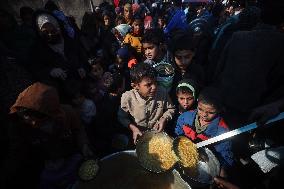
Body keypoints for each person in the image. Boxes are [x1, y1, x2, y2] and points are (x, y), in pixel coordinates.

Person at [0, 82, 94, 189]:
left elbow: (78, 130)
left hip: (72, 158)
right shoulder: (21, 127)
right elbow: (19, 153)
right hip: (47, 170)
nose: (33, 124)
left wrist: (84, 145)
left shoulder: (68, 112)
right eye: (26, 118)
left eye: (41, 122)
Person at [175, 87, 234, 177]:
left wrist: (222, 168)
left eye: (210, 112)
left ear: (219, 110)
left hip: (201, 163)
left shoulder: (222, 132)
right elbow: (178, 131)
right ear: (197, 103)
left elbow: (225, 156)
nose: (204, 115)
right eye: (200, 109)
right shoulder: (185, 116)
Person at [118, 63, 175, 143]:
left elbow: (171, 109)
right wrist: (133, 128)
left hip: (157, 134)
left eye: (155, 82)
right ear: (135, 86)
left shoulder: (162, 92)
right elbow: (122, 117)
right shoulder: (127, 97)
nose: (154, 87)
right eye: (148, 85)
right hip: (139, 135)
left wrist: (163, 119)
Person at [169, 31, 205, 105]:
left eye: (187, 57)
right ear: (173, 56)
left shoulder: (198, 72)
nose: (183, 61)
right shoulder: (169, 71)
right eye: (179, 57)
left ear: (193, 53)